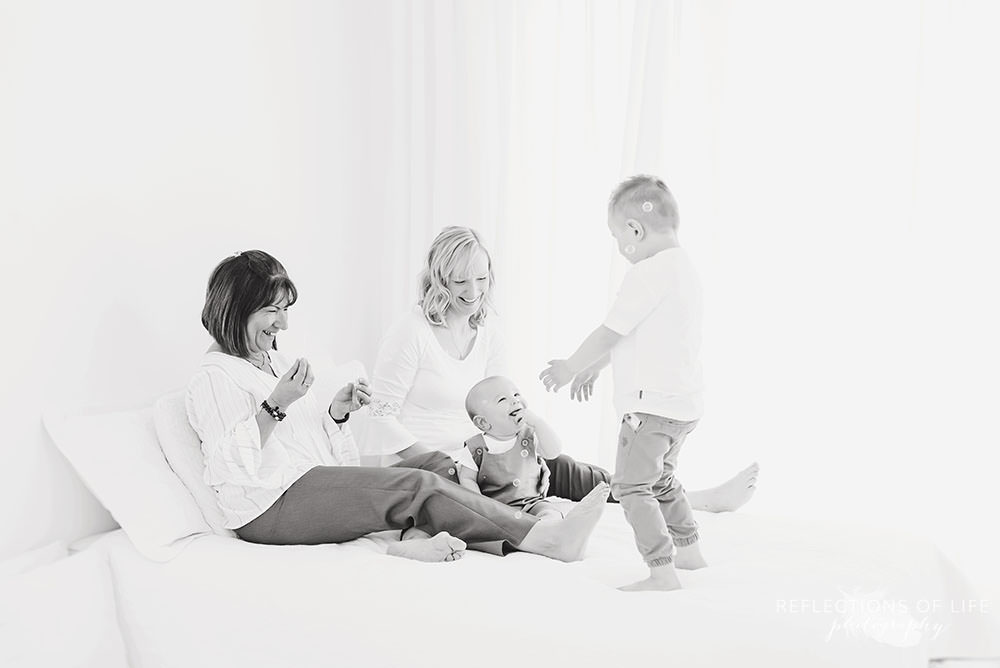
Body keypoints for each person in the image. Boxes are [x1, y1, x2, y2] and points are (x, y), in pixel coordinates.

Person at [185, 250, 610, 564]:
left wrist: (335, 414)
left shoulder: (271, 360)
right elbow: (228, 467)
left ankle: (417, 544)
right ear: (236, 310)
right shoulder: (213, 376)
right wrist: (276, 405)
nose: (283, 324)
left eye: (286, 310)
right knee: (415, 486)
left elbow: (306, 448)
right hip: (267, 509)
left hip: (303, 485)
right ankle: (545, 538)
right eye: (272, 311)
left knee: (436, 466)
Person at [365, 226, 758, 529]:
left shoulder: (490, 335)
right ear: (439, 279)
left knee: (561, 468)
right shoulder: (411, 332)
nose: (474, 291)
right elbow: (380, 418)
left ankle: (688, 498)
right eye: (460, 281)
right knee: (465, 478)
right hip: (427, 459)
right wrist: (445, 459)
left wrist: (523, 441)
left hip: (482, 451)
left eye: (482, 279)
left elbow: (500, 406)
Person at [540, 175, 706, 591]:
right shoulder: (684, 268)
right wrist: (595, 369)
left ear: (635, 230)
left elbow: (610, 331)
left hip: (648, 411)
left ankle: (661, 570)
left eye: (617, 236)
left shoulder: (645, 273)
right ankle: (690, 552)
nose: (619, 246)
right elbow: (645, 337)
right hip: (682, 408)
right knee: (662, 478)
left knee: (632, 486)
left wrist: (569, 365)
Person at [458, 376, 564, 519]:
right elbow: (467, 479)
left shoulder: (530, 435)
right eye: (502, 399)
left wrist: (538, 423)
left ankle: (548, 526)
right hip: (496, 511)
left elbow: (554, 452)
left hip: (532, 504)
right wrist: (481, 506)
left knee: (549, 512)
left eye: (516, 394)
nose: (515, 400)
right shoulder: (475, 448)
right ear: (483, 422)